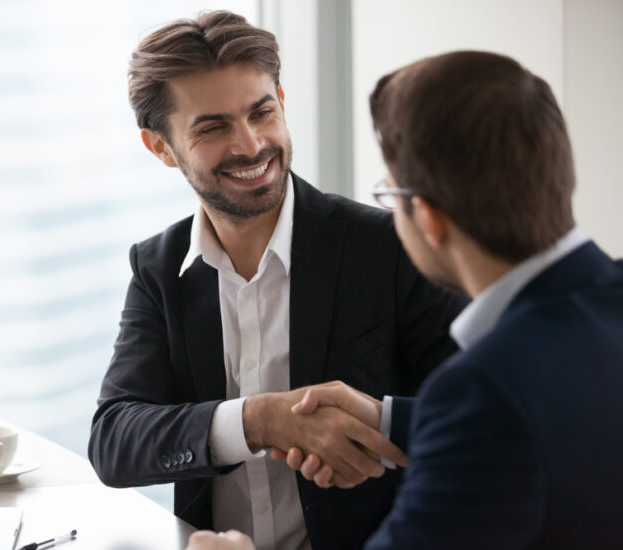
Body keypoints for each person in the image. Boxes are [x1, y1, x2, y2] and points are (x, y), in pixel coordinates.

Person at [186, 50, 623, 550]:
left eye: (389, 194)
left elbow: (498, 418)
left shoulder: (485, 387)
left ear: (430, 220)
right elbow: (558, 414)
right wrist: (388, 418)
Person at [88, 11, 463, 550]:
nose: (250, 145)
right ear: (161, 147)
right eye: (213, 127)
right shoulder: (157, 268)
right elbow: (115, 441)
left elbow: (478, 422)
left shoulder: (391, 246)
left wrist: (379, 431)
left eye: (261, 112)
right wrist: (259, 420)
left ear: (282, 103)